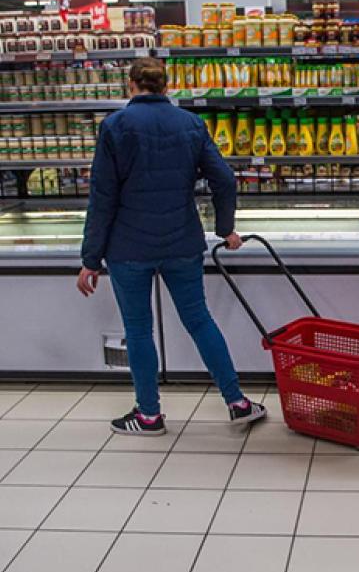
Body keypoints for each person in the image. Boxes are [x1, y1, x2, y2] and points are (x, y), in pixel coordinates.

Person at [77, 57, 266, 435]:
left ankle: (149, 416)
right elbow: (225, 180)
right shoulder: (190, 124)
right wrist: (225, 229)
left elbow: (103, 195)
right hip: (182, 241)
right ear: (166, 87)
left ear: (131, 86)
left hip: (128, 247)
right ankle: (238, 402)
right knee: (199, 320)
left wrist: (90, 258)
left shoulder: (115, 126)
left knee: (139, 329)